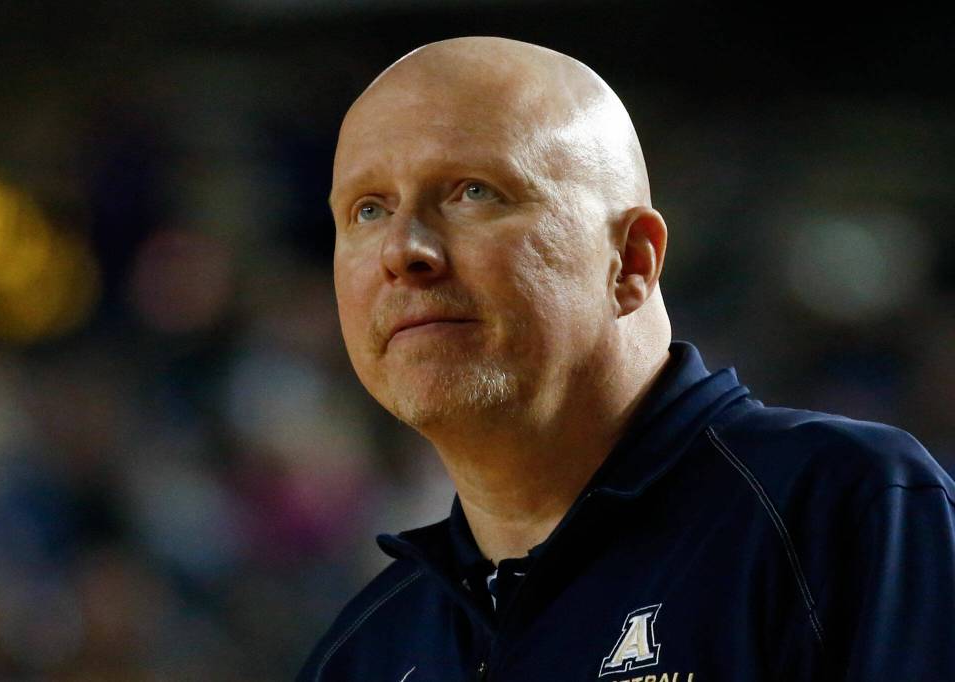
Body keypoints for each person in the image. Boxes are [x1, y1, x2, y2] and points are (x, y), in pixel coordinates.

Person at [297, 36, 955, 681]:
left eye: (473, 192)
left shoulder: (843, 511)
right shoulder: (362, 654)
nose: (402, 250)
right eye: (368, 209)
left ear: (633, 262)